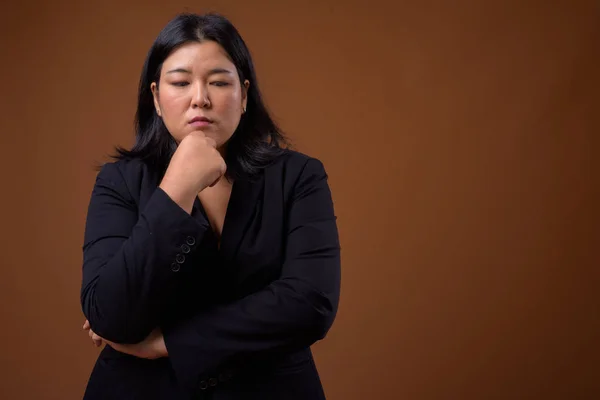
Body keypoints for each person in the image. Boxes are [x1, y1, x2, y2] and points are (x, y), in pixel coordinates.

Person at [79, 12, 341, 400]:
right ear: (155, 97)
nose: (200, 98)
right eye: (181, 82)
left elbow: (310, 305)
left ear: (245, 94)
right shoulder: (119, 182)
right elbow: (112, 315)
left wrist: (170, 342)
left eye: (219, 82)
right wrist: (176, 189)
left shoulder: (299, 176)